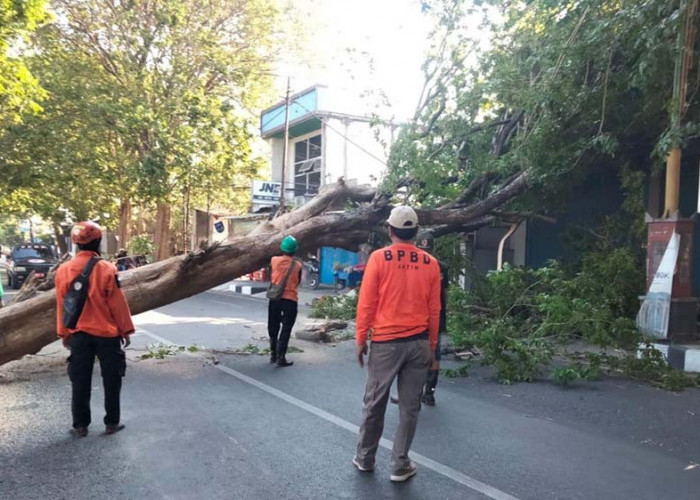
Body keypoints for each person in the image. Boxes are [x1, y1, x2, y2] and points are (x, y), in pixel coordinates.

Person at [353, 206, 441, 483]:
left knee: (375, 403)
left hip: (386, 343)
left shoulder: (379, 258)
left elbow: (367, 302)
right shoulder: (431, 263)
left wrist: (360, 338)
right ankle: (400, 465)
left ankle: (365, 458)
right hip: (419, 344)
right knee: (409, 406)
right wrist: (434, 347)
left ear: (390, 231)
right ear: (415, 232)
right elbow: (434, 309)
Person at [55, 221, 135, 437]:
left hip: (79, 335)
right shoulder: (107, 269)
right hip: (106, 335)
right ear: (98, 243)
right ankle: (111, 423)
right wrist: (125, 330)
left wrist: (64, 332)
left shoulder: (63, 270)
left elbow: (63, 305)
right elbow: (117, 303)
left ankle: (80, 426)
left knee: (80, 379)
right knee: (112, 378)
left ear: (76, 243)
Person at [267, 235, 302, 367]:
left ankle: (272, 354)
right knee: (286, 328)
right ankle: (281, 356)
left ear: (282, 248)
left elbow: (271, 275)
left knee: (273, 326)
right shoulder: (298, 265)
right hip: (291, 300)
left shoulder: (274, 260)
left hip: (275, 298)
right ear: (294, 251)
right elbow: (297, 282)